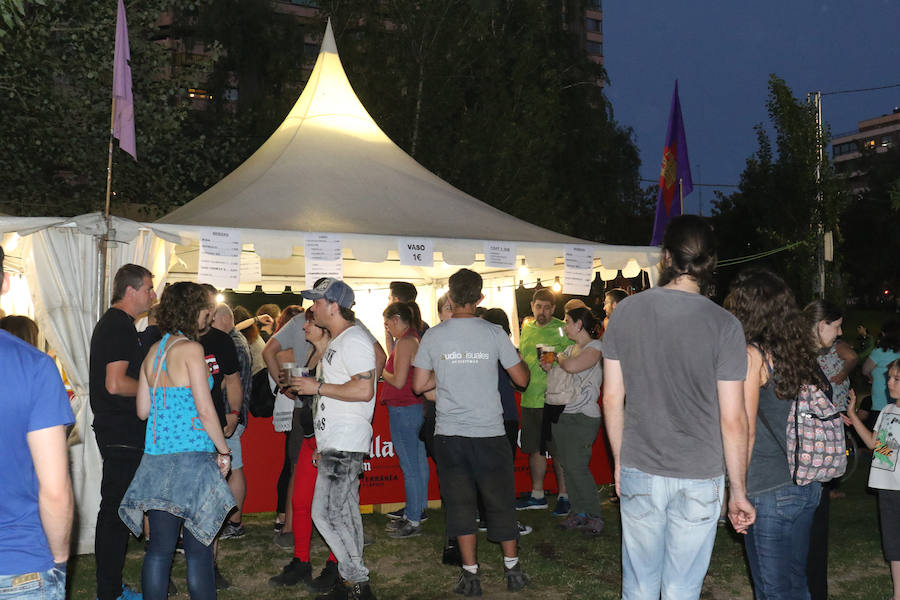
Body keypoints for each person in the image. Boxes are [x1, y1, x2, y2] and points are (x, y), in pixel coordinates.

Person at [602, 215, 754, 599]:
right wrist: (738, 491)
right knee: (682, 587)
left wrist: (620, 461)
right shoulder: (724, 325)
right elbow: (733, 419)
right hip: (699, 475)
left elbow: (611, 397)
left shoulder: (625, 312)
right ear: (710, 262)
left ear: (666, 257)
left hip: (640, 465)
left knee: (638, 583)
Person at [412, 268, 531, 596]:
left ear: (450, 297)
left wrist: (446, 373)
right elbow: (522, 379)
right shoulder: (494, 333)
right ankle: (512, 569)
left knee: (460, 503)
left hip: (450, 435)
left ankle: (471, 574)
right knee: (501, 500)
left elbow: (419, 385)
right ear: (480, 299)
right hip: (490, 434)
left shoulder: (434, 336)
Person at [119, 281, 236, 600]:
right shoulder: (192, 350)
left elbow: (143, 410)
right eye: (205, 309)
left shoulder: (154, 351)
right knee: (199, 551)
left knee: (159, 550)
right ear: (193, 311)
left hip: (156, 459)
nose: (209, 316)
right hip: (192, 459)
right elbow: (206, 409)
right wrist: (224, 451)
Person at [725, 267, 825, 599]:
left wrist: (736, 491)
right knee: (797, 583)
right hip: (806, 485)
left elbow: (745, 429)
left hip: (769, 491)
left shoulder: (752, 355)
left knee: (772, 591)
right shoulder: (796, 351)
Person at [292, 278, 377, 600]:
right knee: (345, 513)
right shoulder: (342, 340)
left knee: (325, 513)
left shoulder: (353, 340)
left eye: (316, 302)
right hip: (338, 441)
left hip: (346, 442)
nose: (312, 309)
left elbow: (363, 390)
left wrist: (317, 388)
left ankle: (356, 582)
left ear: (333, 305)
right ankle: (351, 582)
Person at [0, 245, 75, 600]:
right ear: (4, 282)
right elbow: (55, 489)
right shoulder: (34, 367)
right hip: (20, 561)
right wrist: (59, 559)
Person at [90, 263, 156, 600]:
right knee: (115, 512)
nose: (153, 295)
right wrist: (153, 389)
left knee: (117, 510)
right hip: (120, 429)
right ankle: (110, 592)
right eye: (148, 288)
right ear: (130, 291)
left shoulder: (119, 325)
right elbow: (115, 383)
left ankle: (111, 588)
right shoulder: (117, 326)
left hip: (118, 428)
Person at [268, 308, 341, 593]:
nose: (304, 327)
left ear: (324, 326)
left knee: (332, 507)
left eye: (310, 322)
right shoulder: (312, 353)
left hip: (329, 440)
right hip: (311, 438)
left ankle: (336, 565)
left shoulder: (336, 355)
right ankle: (301, 561)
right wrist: (290, 380)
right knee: (300, 502)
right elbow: (303, 389)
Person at [542, 307, 604, 535]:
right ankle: (579, 513)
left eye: (568, 322)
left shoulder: (595, 347)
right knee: (568, 466)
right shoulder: (570, 348)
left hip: (583, 416)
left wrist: (557, 357)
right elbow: (562, 373)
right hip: (563, 413)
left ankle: (594, 515)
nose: (564, 326)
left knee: (578, 466)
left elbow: (571, 366)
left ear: (579, 324)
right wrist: (549, 366)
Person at [843, 359, 900, 600]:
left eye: (896, 379)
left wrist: (889, 450)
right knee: (894, 544)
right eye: (889, 377)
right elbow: (876, 446)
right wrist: (853, 416)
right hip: (888, 488)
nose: (889, 382)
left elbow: (887, 450)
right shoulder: (887, 411)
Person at [197, 284, 241, 589]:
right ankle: (159, 558)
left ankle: (210, 566)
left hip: (211, 430)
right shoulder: (172, 338)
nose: (211, 311)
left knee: (211, 501)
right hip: (178, 432)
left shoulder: (221, 341)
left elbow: (232, 379)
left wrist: (234, 413)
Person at [516, 288, 572, 515]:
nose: (542, 311)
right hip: (529, 398)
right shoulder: (526, 328)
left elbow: (573, 356)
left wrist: (556, 361)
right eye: (539, 306)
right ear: (532, 306)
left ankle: (564, 496)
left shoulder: (562, 328)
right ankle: (537, 495)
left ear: (553, 309)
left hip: (554, 399)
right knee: (535, 450)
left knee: (559, 451)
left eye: (547, 307)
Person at [803, 299, 844, 600]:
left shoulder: (809, 360)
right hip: (809, 469)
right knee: (810, 543)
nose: (840, 333)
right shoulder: (803, 363)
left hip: (816, 468)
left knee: (815, 543)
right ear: (821, 325)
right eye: (837, 326)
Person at [381, 302, 429, 538]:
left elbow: (399, 381)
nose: (388, 329)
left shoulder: (406, 342)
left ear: (397, 319)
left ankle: (412, 518)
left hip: (403, 408)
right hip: (413, 407)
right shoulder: (412, 340)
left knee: (410, 466)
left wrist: (381, 371)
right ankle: (417, 511)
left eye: (388, 324)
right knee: (418, 463)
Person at [212, 304, 251, 540]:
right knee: (232, 467)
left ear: (226, 319)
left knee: (233, 469)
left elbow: (225, 381)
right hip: (232, 414)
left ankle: (234, 523)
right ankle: (233, 522)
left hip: (229, 416)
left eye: (212, 320)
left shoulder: (232, 344)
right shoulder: (237, 341)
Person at [862, 321, 900, 429]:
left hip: (880, 403)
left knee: (878, 438)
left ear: (884, 334)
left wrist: (871, 377)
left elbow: (865, 369)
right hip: (896, 403)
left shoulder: (880, 351)